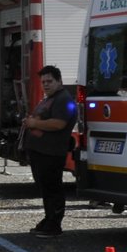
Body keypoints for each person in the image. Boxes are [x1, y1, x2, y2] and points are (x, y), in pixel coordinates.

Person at [23, 65, 77, 236]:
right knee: (45, 188)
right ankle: (48, 219)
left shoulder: (64, 100)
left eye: (49, 81)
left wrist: (34, 123)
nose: (45, 85)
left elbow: (59, 123)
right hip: (40, 152)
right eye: (43, 82)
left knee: (53, 189)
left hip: (52, 153)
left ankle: (54, 225)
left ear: (59, 81)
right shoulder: (48, 98)